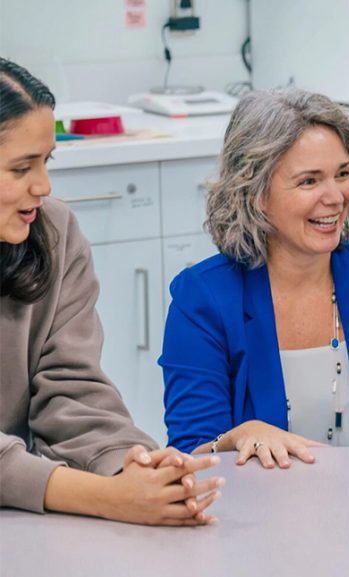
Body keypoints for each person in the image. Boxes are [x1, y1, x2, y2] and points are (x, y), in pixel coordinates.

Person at [161, 89, 349, 467]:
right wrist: (236, 438)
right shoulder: (204, 300)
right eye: (309, 181)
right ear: (256, 194)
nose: (336, 197)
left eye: (342, 174)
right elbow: (189, 456)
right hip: (253, 519)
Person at [0, 57, 223, 525]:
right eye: (22, 168)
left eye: (47, 161)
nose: (44, 186)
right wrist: (102, 496)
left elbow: (72, 389)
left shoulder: (53, 231)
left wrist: (131, 464)